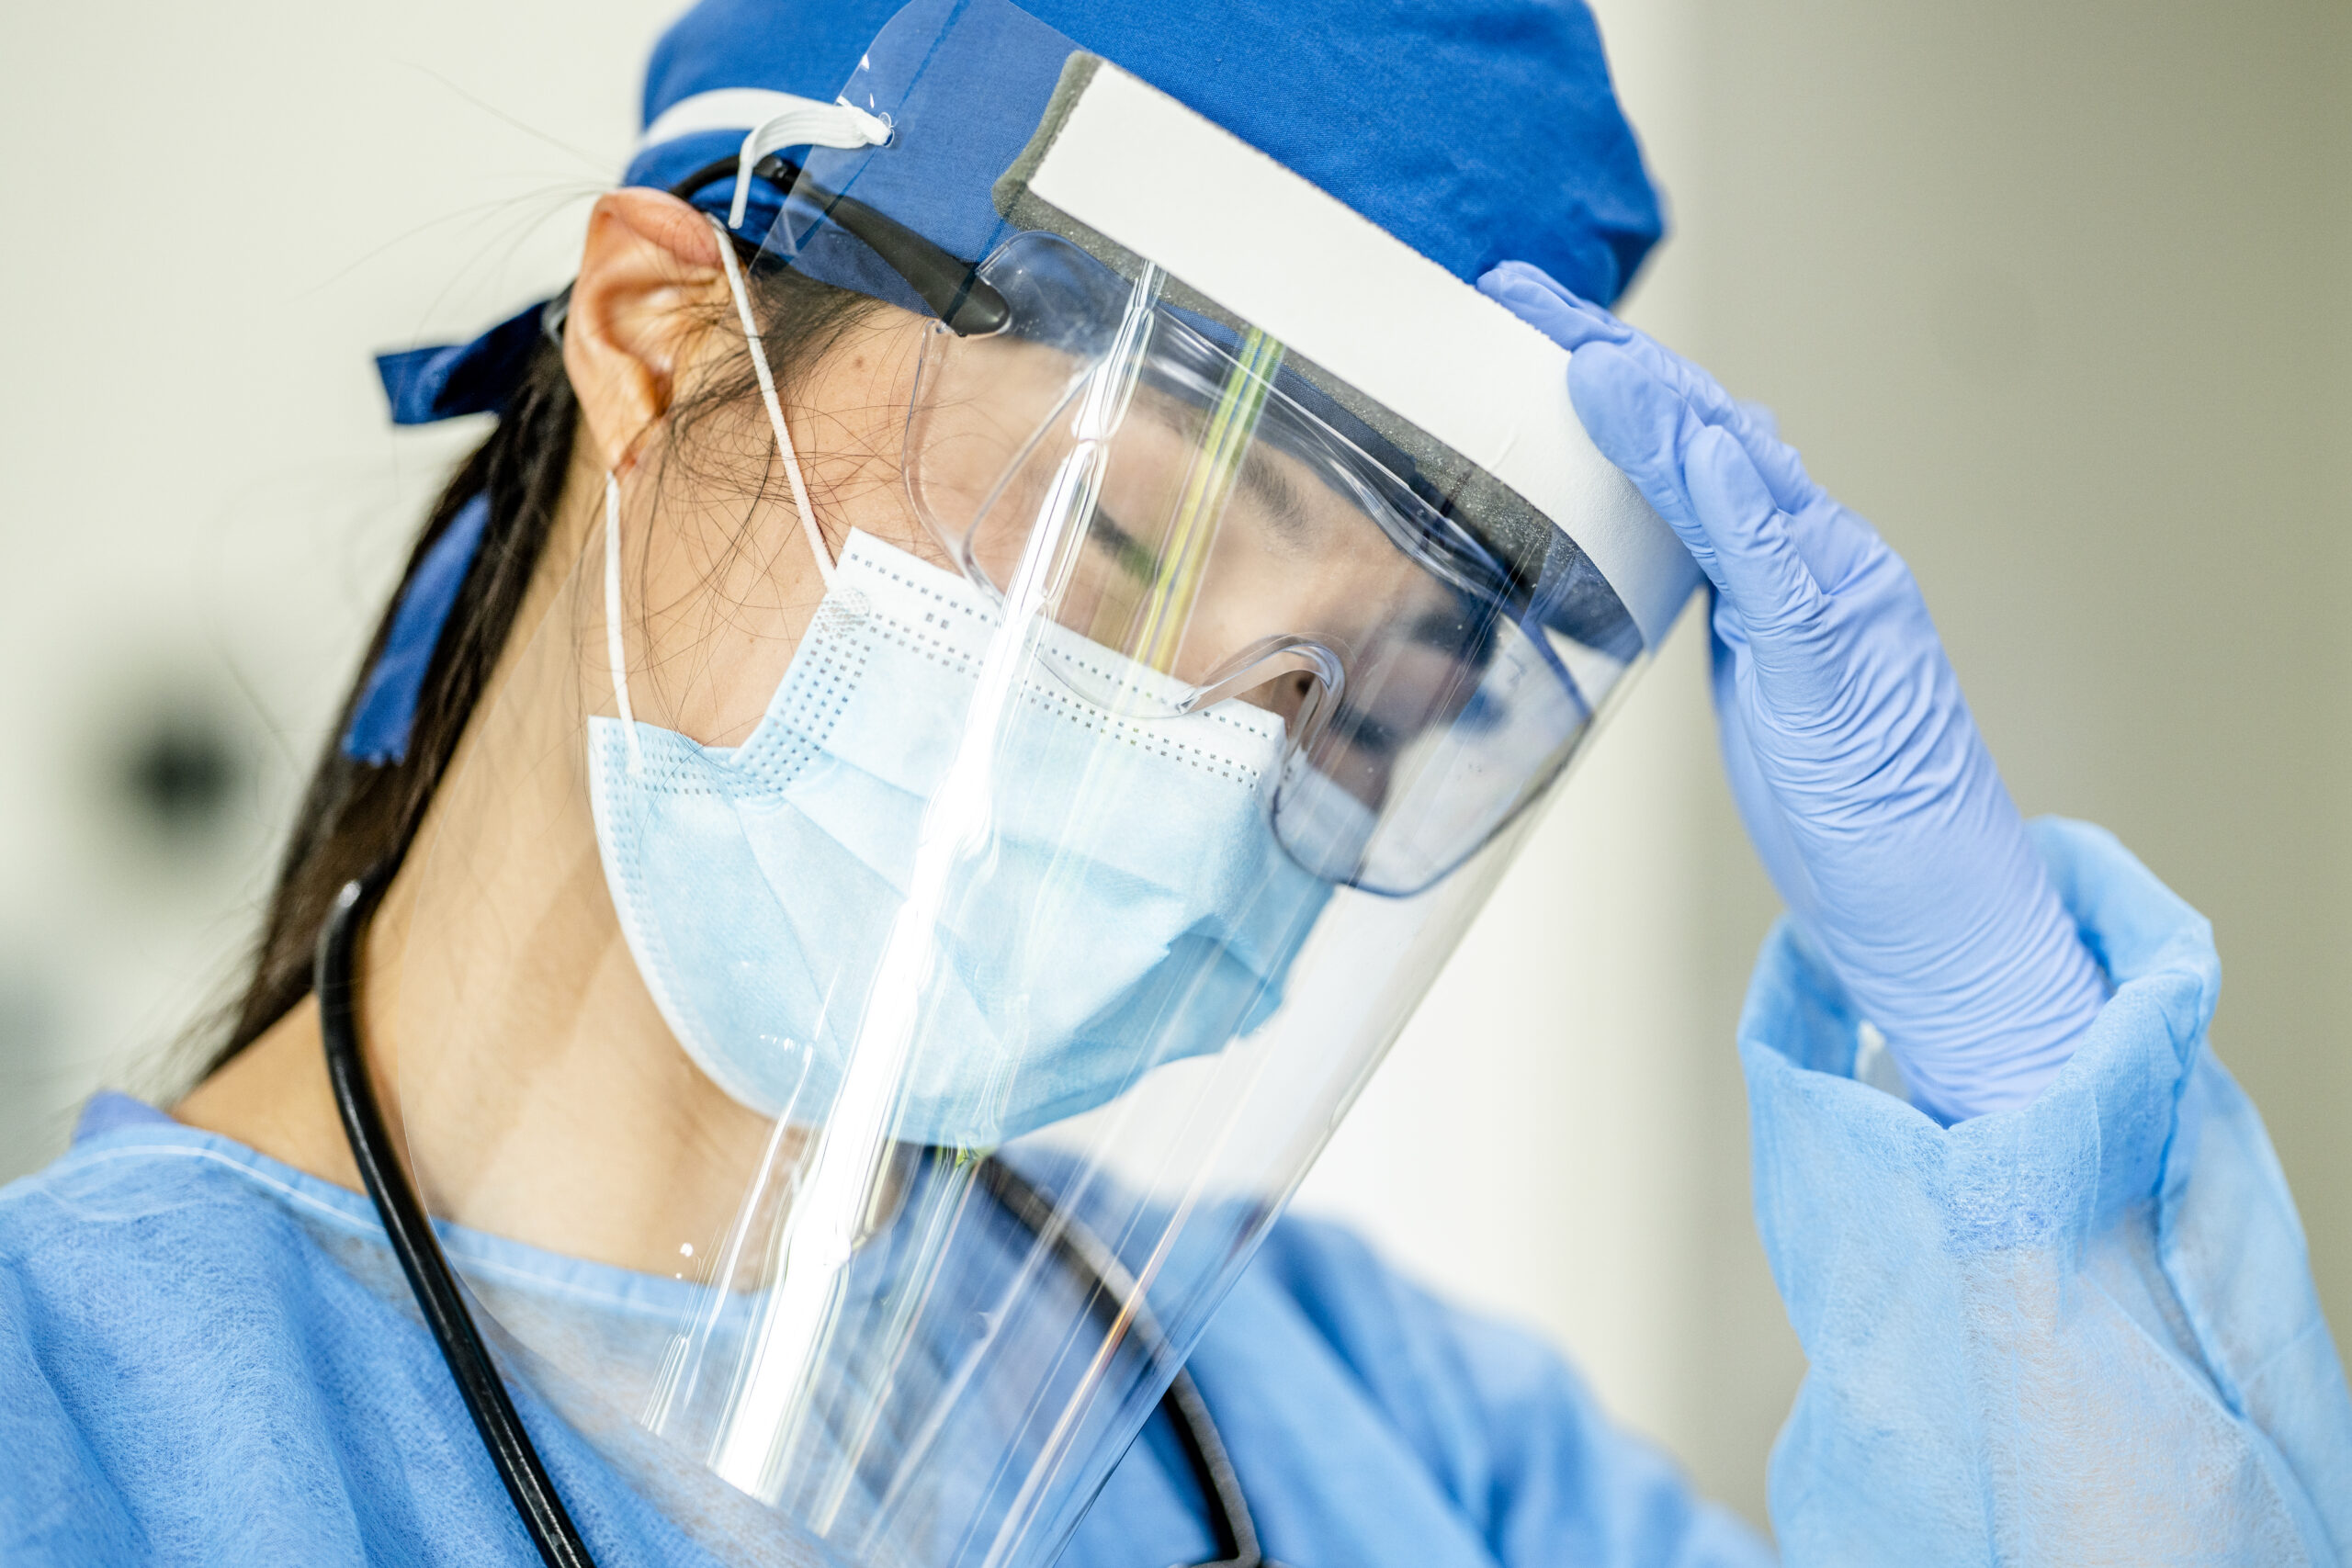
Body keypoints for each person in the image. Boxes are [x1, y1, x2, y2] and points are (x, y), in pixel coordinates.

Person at [4, 0, 2346, 1563]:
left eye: (1372, 695)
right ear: (657, 340)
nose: (1209, 773)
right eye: (1107, 531)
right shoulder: (82, 1421)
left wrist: (2010, 1097)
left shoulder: (1350, 1418)